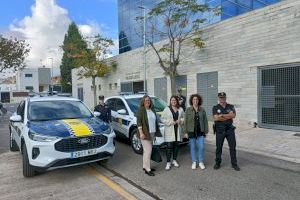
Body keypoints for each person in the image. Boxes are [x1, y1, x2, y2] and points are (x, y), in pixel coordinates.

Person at [212, 92, 240, 171]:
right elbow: (216, 118)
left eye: (223, 97)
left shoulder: (230, 106)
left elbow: (233, 115)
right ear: (218, 98)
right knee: (219, 147)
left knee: (232, 147)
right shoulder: (215, 107)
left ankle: (234, 164)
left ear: (225, 98)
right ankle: (217, 163)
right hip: (219, 130)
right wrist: (228, 115)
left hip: (230, 130)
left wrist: (222, 115)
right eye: (220, 98)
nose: (222, 99)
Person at [136, 95, 162, 176]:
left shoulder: (152, 110)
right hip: (145, 133)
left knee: (146, 151)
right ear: (143, 102)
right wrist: (141, 133)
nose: (148, 101)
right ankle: (147, 169)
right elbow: (139, 122)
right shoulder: (141, 110)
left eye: (149, 100)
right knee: (148, 151)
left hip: (152, 133)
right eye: (146, 100)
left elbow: (158, 120)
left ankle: (145, 166)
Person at [184, 94, 208, 170]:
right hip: (191, 131)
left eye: (197, 99)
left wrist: (206, 130)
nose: (195, 101)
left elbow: (205, 121)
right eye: (194, 99)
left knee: (201, 147)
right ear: (191, 101)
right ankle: (194, 161)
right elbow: (185, 121)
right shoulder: (188, 110)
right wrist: (185, 132)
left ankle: (201, 162)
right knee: (193, 147)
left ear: (199, 101)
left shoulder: (202, 109)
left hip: (200, 131)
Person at [161, 96, 185, 170]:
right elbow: (162, 119)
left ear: (177, 101)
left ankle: (174, 160)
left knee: (176, 146)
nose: (173, 101)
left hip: (177, 130)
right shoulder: (166, 109)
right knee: (169, 147)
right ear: (170, 101)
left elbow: (184, 118)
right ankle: (168, 162)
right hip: (169, 130)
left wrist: (180, 121)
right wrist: (170, 122)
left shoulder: (180, 109)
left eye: (174, 100)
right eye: (172, 100)